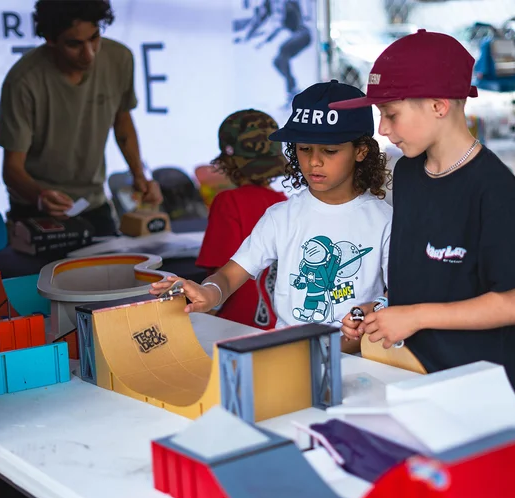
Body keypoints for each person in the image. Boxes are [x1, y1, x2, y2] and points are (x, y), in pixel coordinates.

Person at [331, 30, 515, 404]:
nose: (382, 128)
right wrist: (381, 310)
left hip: (483, 395)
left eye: (391, 114)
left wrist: (415, 315)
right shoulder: (408, 173)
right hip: (413, 377)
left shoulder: (492, 187)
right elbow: (424, 279)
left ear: (438, 105)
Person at [150, 80, 392, 352]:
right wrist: (209, 293)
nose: (314, 161)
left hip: (359, 360)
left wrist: (376, 308)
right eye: (304, 148)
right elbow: (229, 276)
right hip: (286, 355)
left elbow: (399, 295)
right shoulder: (280, 216)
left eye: (330, 150)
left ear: (361, 151)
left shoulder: (385, 221)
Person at [0, 0, 162, 236]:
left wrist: (139, 176)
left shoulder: (119, 58)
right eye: (74, 44)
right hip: (35, 208)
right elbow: (12, 169)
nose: (89, 53)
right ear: (50, 40)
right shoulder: (23, 81)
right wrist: (41, 197)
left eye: (94, 38)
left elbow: (122, 120)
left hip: (94, 203)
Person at [195, 109, 288, 330]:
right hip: (277, 329)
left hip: (233, 329)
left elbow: (219, 278)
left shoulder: (228, 202)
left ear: (228, 161)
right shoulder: (284, 203)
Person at [257, 0, 311, 105]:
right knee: (277, 61)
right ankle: (292, 86)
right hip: (299, 35)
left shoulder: (289, 5)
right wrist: (264, 41)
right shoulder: (281, 13)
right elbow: (277, 29)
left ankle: (291, 89)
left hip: (304, 34)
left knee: (283, 50)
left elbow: (296, 15)